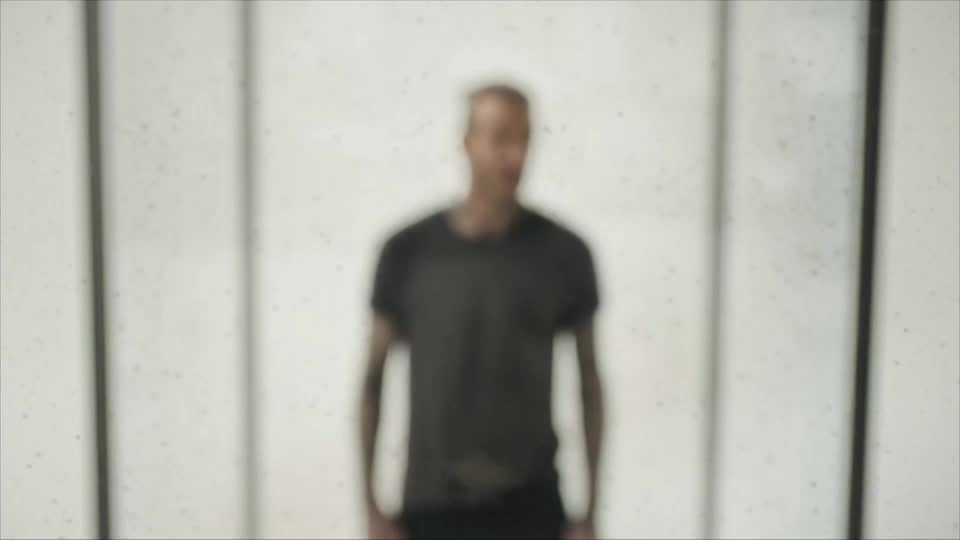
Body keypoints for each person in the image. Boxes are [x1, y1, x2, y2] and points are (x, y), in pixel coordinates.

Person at [359, 81, 606, 540]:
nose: (515, 155)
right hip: (432, 509)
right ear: (467, 142)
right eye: (500, 138)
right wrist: (372, 512)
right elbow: (371, 381)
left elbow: (590, 383)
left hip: (531, 507)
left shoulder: (563, 253)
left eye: (524, 138)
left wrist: (589, 515)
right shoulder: (408, 252)